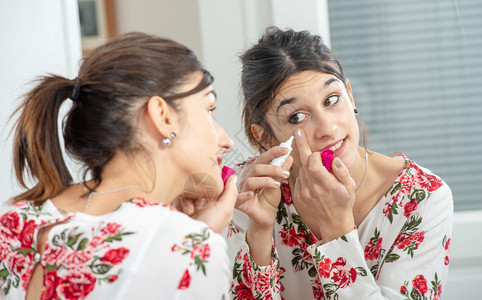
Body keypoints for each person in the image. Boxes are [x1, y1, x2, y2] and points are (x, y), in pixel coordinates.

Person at [0, 32, 252, 299]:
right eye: (208, 109)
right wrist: (195, 241)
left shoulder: (16, 222)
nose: (227, 141)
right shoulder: (192, 247)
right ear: (163, 117)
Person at [227, 27, 453, 299]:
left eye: (331, 100)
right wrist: (260, 230)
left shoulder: (422, 198)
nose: (327, 128)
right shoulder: (250, 191)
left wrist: (336, 229)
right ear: (264, 137)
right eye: (297, 117)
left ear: (350, 95)